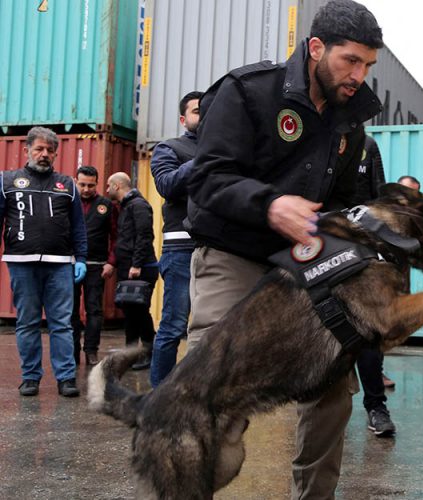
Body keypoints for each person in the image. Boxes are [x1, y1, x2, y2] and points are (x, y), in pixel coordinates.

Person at [185, 1, 383, 497]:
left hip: (303, 267)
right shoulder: (247, 92)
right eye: (350, 61)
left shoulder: (351, 121)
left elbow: (343, 201)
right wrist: (272, 206)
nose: (359, 76)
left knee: (334, 384)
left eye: (368, 65)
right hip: (234, 254)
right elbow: (207, 180)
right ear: (316, 47)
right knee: (211, 384)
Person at [0, 126, 86, 397]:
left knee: (61, 322)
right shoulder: (8, 181)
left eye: (50, 150)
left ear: (56, 153)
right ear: (26, 150)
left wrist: (81, 258)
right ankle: (30, 377)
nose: (44, 154)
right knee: (27, 322)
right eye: (39, 149)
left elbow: (78, 227)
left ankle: (66, 378)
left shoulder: (67, 185)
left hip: (60, 263)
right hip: (21, 262)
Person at [148, 90, 201, 388]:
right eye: (196, 111)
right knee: (173, 326)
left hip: (217, 249)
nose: (202, 117)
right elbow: (166, 185)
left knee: (209, 328)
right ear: (183, 119)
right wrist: (204, 160)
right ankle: (159, 398)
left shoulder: (225, 148)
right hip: (181, 250)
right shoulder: (169, 147)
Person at [351, 135, 396, 437]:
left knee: (368, 332)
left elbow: (377, 199)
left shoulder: (366, 145)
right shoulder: (313, 137)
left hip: (360, 249)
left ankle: (376, 407)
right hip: (317, 246)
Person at [106, 172, 158, 371]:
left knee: (140, 311)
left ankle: (147, 353)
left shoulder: (139, 206)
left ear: (117, 186)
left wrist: (136, 264)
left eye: (109, 185)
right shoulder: (126, 206)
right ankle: (130, 354)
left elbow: (145, 236)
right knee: (130, 312)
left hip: (141, 269)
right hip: (129, 268)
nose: (107, 190)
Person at [71, 165, 118, 367]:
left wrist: (111, 262)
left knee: (94, 310)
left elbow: (116, 237)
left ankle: (91, 351)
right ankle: (72, 353)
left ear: (97, 183)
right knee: (70, 311)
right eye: (82, 184)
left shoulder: (106, 206)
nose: (86, 189)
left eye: (91, 185)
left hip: (96, 266)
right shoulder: (68, 201)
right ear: (75, 181)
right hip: (70, 264)